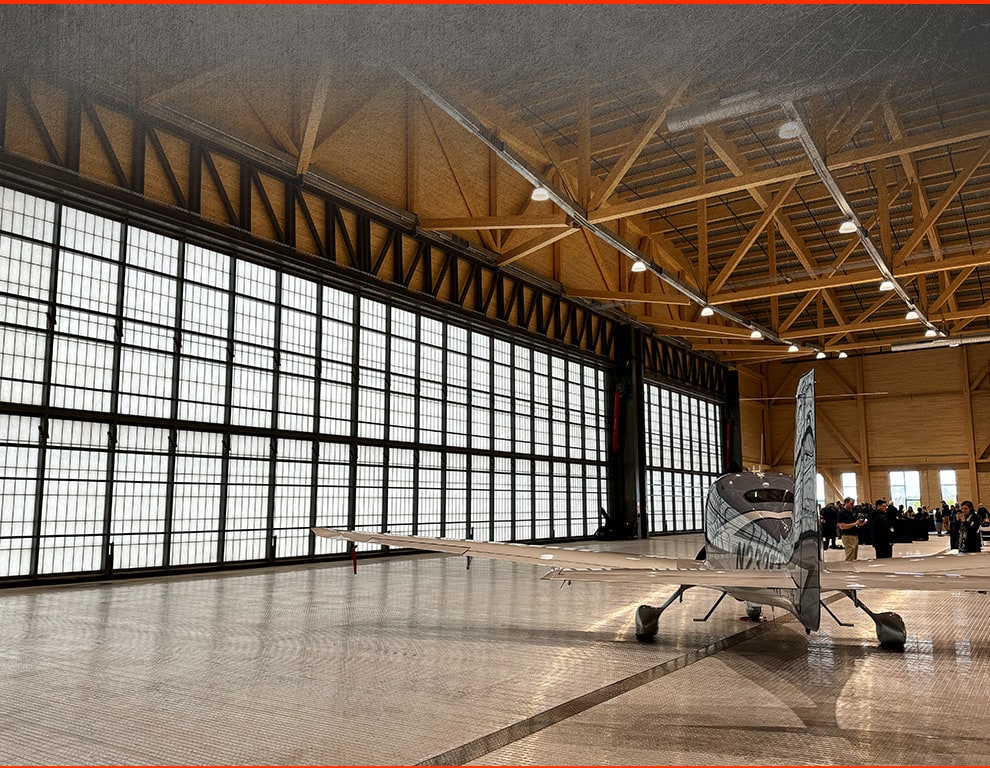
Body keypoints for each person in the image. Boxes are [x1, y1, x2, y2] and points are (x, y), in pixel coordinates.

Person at [837, 496, 866, 561]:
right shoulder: (841, 513)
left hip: (854, 535)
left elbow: (853, 524)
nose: (852, 506)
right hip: (848, 536)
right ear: (846, 503)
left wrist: (859, 524)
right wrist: (855, 523)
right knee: (850, 557)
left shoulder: (850, 512)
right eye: (851, 504)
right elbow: (842, 526)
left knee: (854, 557)